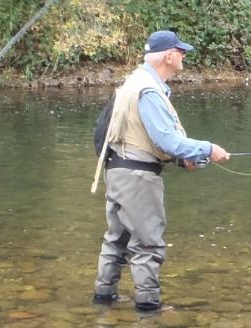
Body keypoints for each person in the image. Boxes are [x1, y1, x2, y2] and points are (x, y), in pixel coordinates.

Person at [93, 30, 230, 312]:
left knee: (116, 241)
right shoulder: (149, 91)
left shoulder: (133, 81)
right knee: (148, 245)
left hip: (118, 170)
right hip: (138, 178)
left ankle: (103, 300)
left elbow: (143, 136)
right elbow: (166, 139)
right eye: (181, 52)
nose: (184, 56)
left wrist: (183, 160)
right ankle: (149, 309)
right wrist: (208, 149)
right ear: (169, 55)